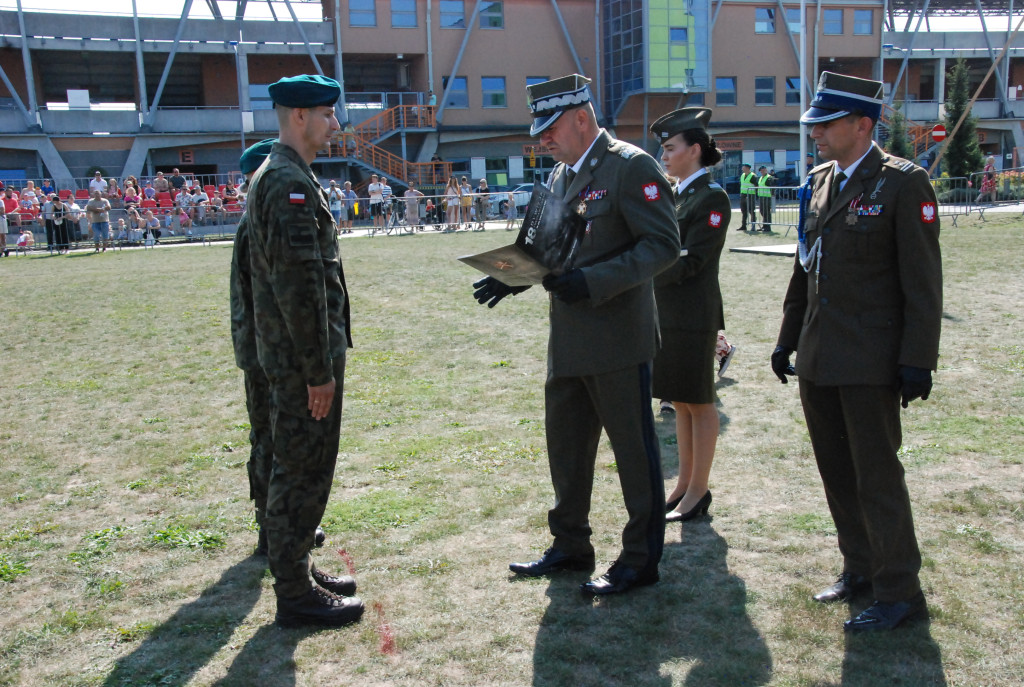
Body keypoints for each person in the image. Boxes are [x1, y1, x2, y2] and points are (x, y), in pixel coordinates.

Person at [473, 74, 679, 596]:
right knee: (565, 449)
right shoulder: (563, 175)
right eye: (539, 130)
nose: (542, 139)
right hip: (568, 338)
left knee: (634, 453)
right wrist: (513, 276)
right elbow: (553, 249)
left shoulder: (631, 167)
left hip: (617, 338)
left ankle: (640, 559)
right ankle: (570, 545)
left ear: (582, 118)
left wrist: (593, 281)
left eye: (550, 128)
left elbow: (662, 246)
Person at [772, 72, 942, 632]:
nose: (814, 133)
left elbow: (923, 283)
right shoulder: (819, 181)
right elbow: (806, 267)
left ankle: (900, 591)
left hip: (871, 359)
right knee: (837, 472)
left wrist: (920, 358)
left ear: (862, 125)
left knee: (876, 476)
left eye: (825, 124)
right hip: (820, 357)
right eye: (813, 124)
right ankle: (861, 568)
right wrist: (787, 338)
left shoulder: (902, 183)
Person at [244, 74, 363, 627]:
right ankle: (294, 592)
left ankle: (297, 567)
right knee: (303, 469)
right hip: (301, 363)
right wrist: (319, 371)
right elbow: (299, 289)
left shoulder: (289, 176)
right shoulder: (287, 183)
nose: (334, 125)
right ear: (299, 117)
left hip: (293, 357)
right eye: (327, 114)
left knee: (301, 465)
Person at [648, 107, 731, 524]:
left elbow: (694, 259)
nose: (663, 155)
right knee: (680, 401)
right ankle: (683, 485)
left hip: (693, 313)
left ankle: (698, 491)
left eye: (669, 147)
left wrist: (643, 270)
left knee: (699, 401)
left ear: (694, 150)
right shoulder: (677, 194)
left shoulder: (711, 197)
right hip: (669, 310)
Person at [738, 163, 758, 231]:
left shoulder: (753, 176)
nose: (742, 169)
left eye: (743, 167)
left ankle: (753, 226)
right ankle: (743, 225)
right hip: (743, 195)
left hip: (750, 195)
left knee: (751, 210)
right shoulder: (742, 175)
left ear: (747, 168)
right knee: (743, 211)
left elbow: (756, 186)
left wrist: (756, 194)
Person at [756, 165, 775, 232]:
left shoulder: (769, 177)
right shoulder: (761, 177)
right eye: (761, 170)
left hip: (767, 197)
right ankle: (764, 225)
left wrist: (772, 195)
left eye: (763, 170)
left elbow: (772, 186)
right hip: (761, 196)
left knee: (767, 211)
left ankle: (768, 227)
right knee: (762, 211)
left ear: (766, 170)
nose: (762, 171)